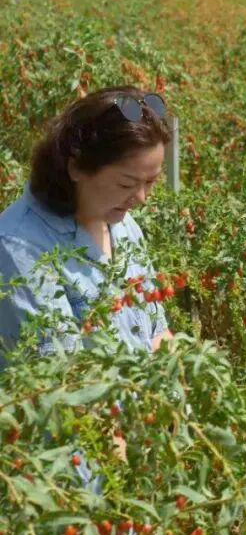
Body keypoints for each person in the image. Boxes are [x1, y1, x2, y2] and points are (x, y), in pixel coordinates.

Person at [0, 86, 173, 369]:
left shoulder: (124, 226)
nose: (141, 198)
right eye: (127, 184)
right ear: (77, 167)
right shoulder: (19, 250)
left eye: (151, 182)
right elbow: (65, 384)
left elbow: (156, 334)